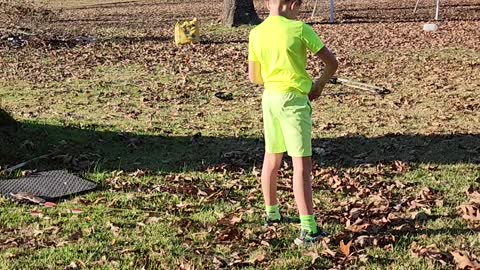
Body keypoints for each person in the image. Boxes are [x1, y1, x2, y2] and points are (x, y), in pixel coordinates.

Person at [248, 0, 338, 246]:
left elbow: (254, 77)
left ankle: (272, 214)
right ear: (294, 4)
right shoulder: (300, 29)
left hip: (270, 99)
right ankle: (308, 230)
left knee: (272, 157)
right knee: (301, 166)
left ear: (267, 3)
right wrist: (318, 84)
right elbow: (332, 63)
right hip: (294, 103)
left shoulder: (256, 33)